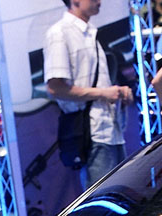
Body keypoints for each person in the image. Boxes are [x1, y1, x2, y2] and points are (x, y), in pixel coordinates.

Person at [44, 0, 133, 190]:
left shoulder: (90, 32)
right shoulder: (59, 33)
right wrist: (103, 93)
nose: (99, 1)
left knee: (121, 197)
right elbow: (55, 88)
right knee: (102, 199)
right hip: (91, 133)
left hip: (110, 130)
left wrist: (117, 93)